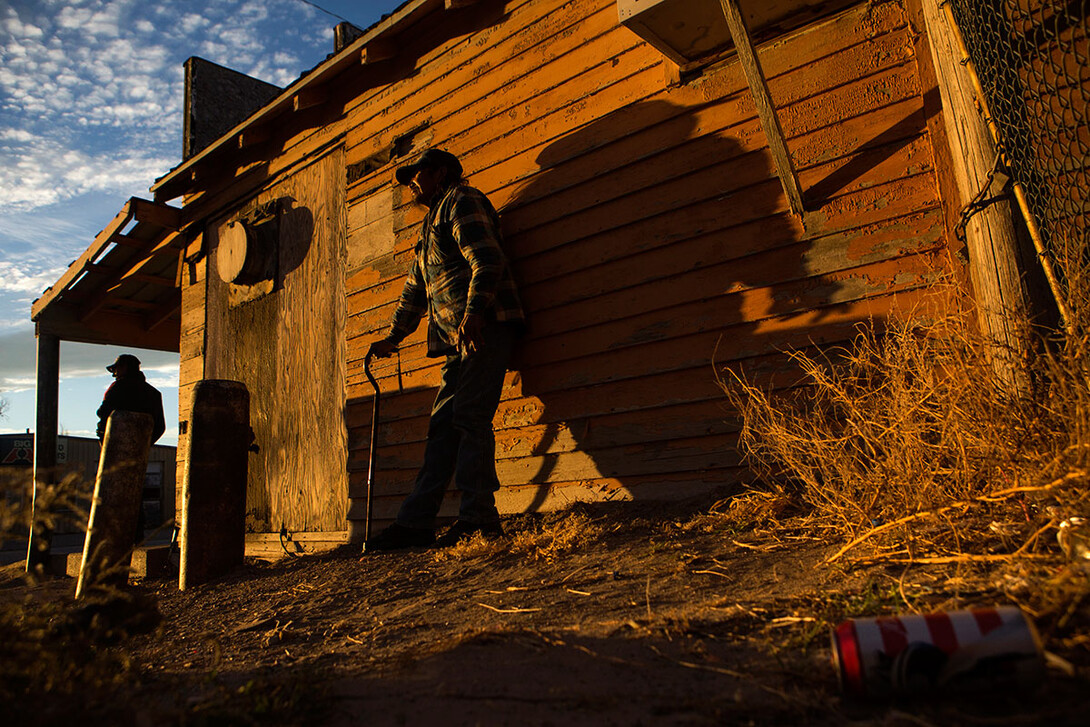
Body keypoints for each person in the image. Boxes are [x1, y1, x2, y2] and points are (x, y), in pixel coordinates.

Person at [366, 148, 525, 551]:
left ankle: (480, 520)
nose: (411, 183)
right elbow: (414, 292)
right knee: (442, 427)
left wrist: (474, 315)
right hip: (460, 340)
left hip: (484, 328)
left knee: (470, 418)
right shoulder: (427, 227)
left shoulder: (462, 201)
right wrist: (392, 338)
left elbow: (487, 259)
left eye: (416, 174)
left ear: (440, 173)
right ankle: (416, 523)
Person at [96, 354, 166, 444]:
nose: (114, 375)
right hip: (140, 449)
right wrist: (145, 444)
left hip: (113, 445)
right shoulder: (154, 393)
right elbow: (160, 427)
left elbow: (104, 412)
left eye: (116, 369)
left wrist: (104, 435)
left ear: (124, 368)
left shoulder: (118, 387)